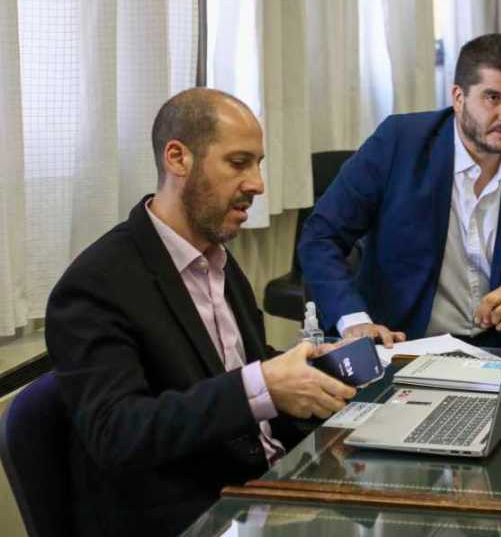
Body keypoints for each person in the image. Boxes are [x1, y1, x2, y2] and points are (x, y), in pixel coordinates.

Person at [45, 89, 358, 536]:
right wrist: (263, 385)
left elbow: (235, 367)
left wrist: (313, 371)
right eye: (238, 163)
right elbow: (118, 433)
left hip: (271, 485)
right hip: (199, 516)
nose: (257, 184)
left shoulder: (217, 257)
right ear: (178, 158)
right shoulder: (96, 285)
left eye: (258, 164)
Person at [298, 34, 501, 348]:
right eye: (493, 98)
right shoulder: (399, 143)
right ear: (458, 97)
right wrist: (354, 322)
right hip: (403, 344)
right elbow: (321, 236)